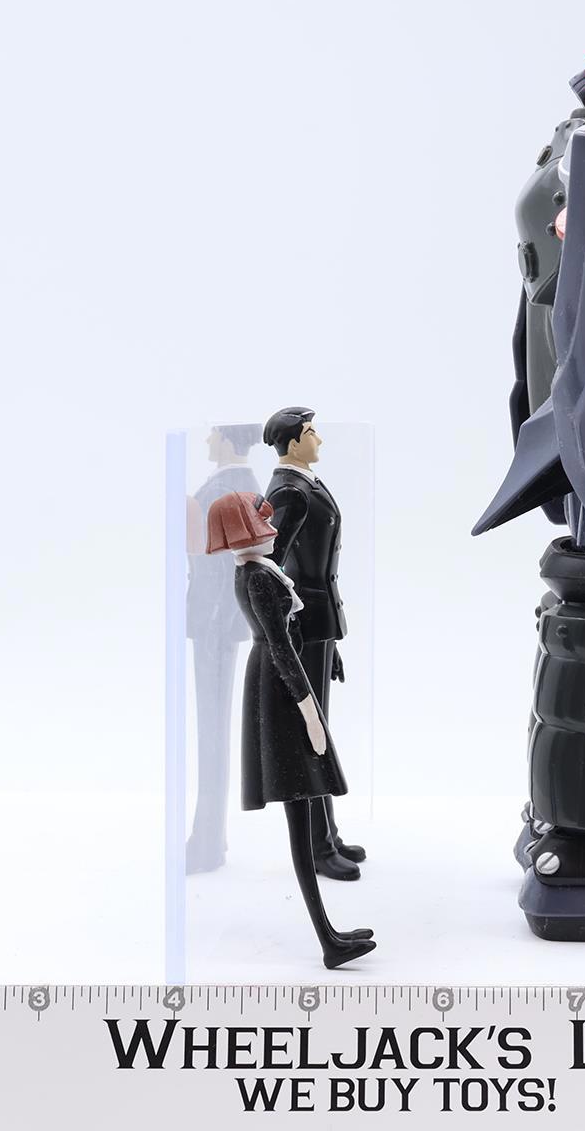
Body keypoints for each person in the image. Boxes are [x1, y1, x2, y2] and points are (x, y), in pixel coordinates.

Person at [205, 490, 375, 969]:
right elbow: (281, 647)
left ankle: (329, 936)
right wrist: (308, 710)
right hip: (281, 690)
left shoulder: (258, 570)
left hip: (279, 683)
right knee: (299, 814)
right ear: (245, 531)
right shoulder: (258, 576)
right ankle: (328, 940)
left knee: (302, 811)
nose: (273, 526)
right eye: (261, 521)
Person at [263, 406, 366, 881]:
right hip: (303, 625)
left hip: (318, 624)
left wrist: (330, 639)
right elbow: (274, 567)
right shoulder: (289, 490)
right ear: (292, 442)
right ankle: (317, 846)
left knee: (320, 730)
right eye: (310, 432)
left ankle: (328, 834)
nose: (318, 439)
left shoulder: (305, 483)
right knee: (311, 735)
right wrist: (293, 629)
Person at [185, 424, 262, 874]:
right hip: (218, 623)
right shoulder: (239, 483)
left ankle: (208, 841)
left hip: (214, 626)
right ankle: (210, 835)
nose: (207, 440)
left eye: (213, 434)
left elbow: (221, 569)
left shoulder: (226, 487)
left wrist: (215, 625)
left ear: (228, 440)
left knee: (211, 735)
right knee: (212, 734)